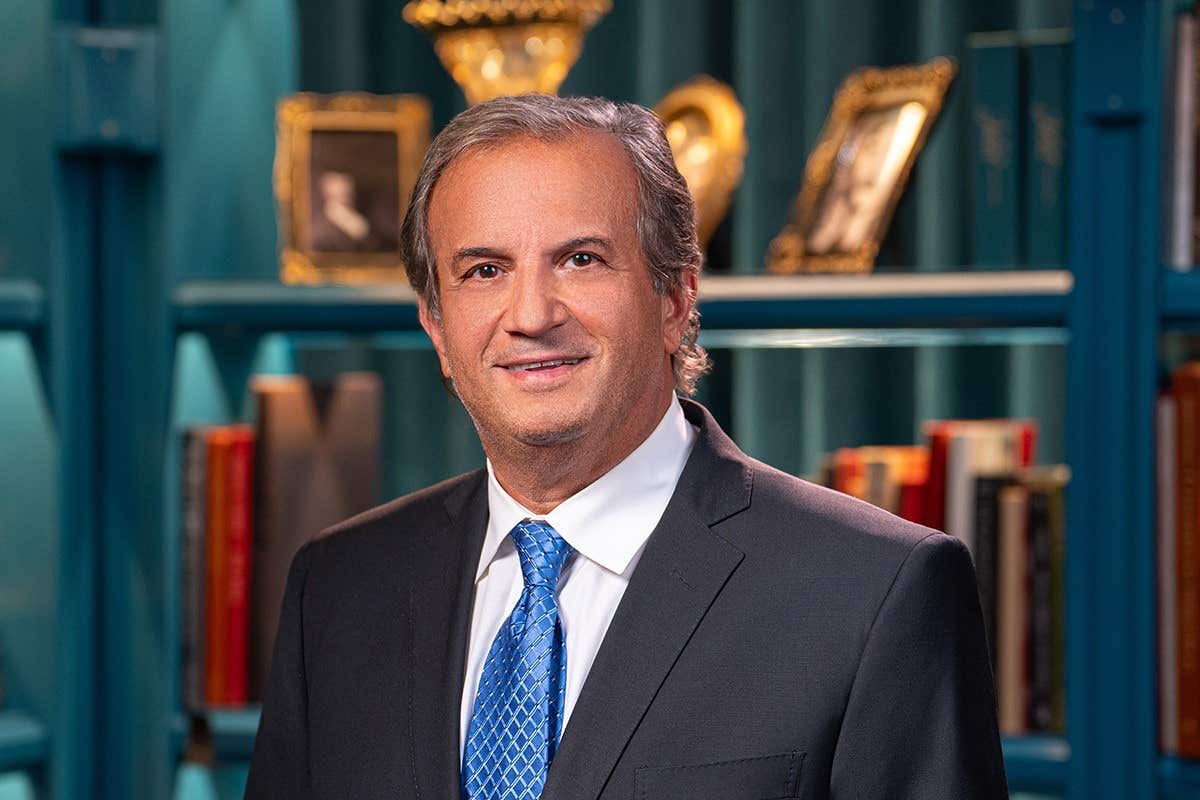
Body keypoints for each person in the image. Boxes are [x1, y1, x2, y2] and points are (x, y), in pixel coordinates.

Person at [246, 93, 1008, 799]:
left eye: (581, 259)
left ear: (676, 297)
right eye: (484, 270)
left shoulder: (875, 591)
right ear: (438, 329)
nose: (532, 314)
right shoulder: (339, 586)